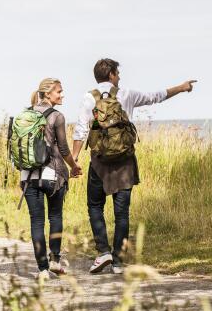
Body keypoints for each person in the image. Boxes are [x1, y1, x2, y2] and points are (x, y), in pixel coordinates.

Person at [71, 58, 196, 274]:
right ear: (110, 74)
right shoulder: (126, 94)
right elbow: (155, 97)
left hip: (99, 161)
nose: (119, 77)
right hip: (124, 161)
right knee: (122, 213)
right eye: (117, 73)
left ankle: (103, 253)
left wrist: (73, 160)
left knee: (94, 206)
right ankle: (118, 261)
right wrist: (182, 87)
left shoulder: (88, 98)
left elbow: (81, 129)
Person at [22, 78, 82, 280]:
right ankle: (55, 261)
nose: (62, 95)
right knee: (55, 217)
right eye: (59, 91)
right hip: (52, 175)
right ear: (47, 94)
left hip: (28, 177)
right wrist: (74, 166)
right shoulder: (57, 116)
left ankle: (42, 270)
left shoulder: (26, 114)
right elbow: (64, 149)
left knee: (36, 223)